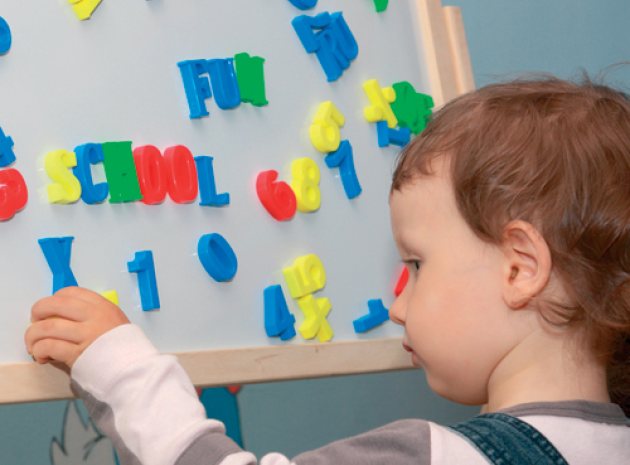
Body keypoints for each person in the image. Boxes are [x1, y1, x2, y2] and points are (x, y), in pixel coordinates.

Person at [25, 77, 630, 465]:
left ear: (521, 269)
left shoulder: (432, 456)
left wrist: (122, 367)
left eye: (417, 264)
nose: (396, 303)